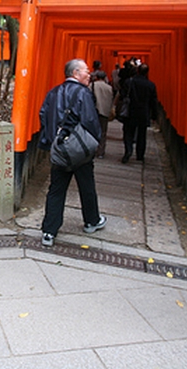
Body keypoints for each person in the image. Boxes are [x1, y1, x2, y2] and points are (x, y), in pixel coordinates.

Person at [38, 59, 106, 247]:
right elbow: (91, 121)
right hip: (79, 151)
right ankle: (91, 221)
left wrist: (54, 140)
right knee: (86, 186)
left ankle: (49, 231)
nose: (89, 73)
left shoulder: (53, 92)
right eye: (86, 71)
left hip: (60, 150)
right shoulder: (83, 93)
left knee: (56, 189)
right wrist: (92, 143)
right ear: (76, 73)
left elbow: (43, 115)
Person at [121, 64, 157, 163]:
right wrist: (154, 115)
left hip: (130, 111)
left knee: (128, 132)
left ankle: (128, 150)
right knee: (142, 134)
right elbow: (153, 101)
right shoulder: (150, 85)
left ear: (137, 71)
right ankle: (140, 155)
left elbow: (123, 95)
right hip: (143, 112)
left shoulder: (129, 82)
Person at [91, 71, 114, 159]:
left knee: (92, 131)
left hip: (94, 111)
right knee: (103, 132)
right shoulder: (109, 87)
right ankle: (101, 151)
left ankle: (92, 149)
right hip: (104, 111)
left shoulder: (92, 85)